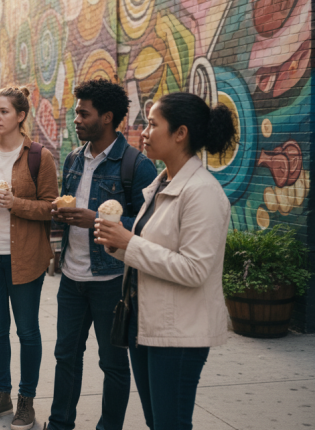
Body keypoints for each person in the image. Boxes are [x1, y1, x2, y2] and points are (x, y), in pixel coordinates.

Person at [95, 93, 237, 430]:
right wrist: (114, 243)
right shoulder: (162, 184)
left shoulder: (202, 192)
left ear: (180, 133)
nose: (143, 131)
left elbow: (194, 269)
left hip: (179, 336)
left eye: (153, 124)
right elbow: (147, 249)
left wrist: (129, 242)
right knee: (156, 421)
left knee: (170, 423)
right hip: (144, 325)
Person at [45, 79, 157, 430]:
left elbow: (149, 227)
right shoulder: (74, 159)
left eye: (83, 113)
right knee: (66, 357)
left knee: (112, 363)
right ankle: (60, 423)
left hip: (111, 281)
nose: (75, 119)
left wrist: (97, 219)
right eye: (76, 112)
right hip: (71, 278)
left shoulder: (136, 166)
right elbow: (69, 207)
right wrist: (60, 214)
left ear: (106, 117)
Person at [0, 86, 58, 430]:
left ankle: (26, 400)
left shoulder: (39, 157)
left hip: (26, 258)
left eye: (3, 111)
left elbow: (51, 207)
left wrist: (14, 203)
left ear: (20, 116)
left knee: (28, 331)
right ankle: (1, 394)